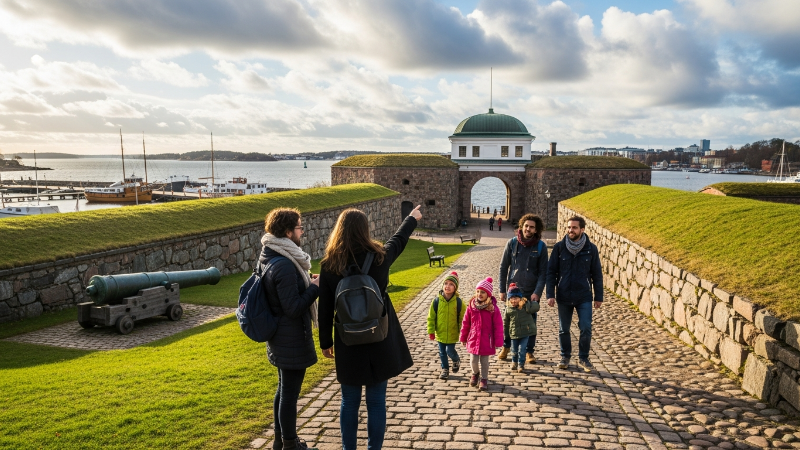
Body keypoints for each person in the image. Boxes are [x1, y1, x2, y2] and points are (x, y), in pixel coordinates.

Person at [318, 205, 422, 450]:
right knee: (376, 402)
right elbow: (398, 240)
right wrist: (411, 219)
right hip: (379, 337)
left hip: (347, 339)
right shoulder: (379, 257)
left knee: (349, 402)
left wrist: (326, 342)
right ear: (365, 229)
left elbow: (325, 309)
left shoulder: (329, 264)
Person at [259, 208, 321, 450]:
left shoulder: (272, 254)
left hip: (282, 336)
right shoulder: (284, 264)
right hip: (290, 337)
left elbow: (287, 294)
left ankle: (280, 442)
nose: (302, 231)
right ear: (287, 232)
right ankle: (290, 444)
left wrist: (307, 282)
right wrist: (315, 287)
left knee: (283, 390)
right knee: (289, 395)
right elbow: (293, 307)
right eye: (299, 227)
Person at [546, 216, 603, 372]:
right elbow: (551, 272)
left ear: (582, 229)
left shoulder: (591, 249)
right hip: (564, 295)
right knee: (563, 329)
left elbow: (597, 274)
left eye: (574, 228)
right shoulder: (559, 248)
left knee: (585, 327)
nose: (571, 230)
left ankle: (584, 358)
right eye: (569, 227)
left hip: (584, 296)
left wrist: (598, 297)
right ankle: (565, 356)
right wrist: (550, 294)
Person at [497, 214, 548, 364]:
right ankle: (506, 347)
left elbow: (543, 273)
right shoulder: (512, 243)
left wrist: (537, 292)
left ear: (536, 229)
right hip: (513, 291)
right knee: (509, 321)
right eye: (526, 226)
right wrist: (502, 290)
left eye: (532, 227)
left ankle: (529, 351)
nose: (528, 229)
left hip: (530, 292)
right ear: (521, 226)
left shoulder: (541, 247)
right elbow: (503, 267)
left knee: (530, 323)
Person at [459, 277, 503, 392]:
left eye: (483, 292)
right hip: (473, 338)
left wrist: (498, 341)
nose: (479, 294)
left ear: (488, 294)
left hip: (486, 340)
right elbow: (466, 322)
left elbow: (498, 325)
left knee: (484, 362)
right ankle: (475, 373)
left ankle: (484, 379)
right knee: (473, 360)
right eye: (478, 291)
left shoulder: (493, 309)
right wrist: (463, 337)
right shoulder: (471, 306)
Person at [426, 272, 465, 380]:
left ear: (455, 288)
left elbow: (463, 320)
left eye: (451, 284)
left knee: (449, 351)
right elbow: (431, 317)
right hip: (440, 332)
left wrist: (463, 333)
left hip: (452, 333)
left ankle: (456, 360)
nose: (448, 286)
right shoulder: (436, 301)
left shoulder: (459, 302)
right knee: (442, 352)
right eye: (446, 283)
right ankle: (445, 369)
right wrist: (431, 331)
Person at [503, 283, 539, 373]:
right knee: (514, 350)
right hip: (514, 333)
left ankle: (521, 364)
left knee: (522, 350)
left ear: (520, 298)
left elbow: (536, 307)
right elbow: (506, 323)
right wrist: (506, 334)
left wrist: (529, 303)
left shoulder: (525, 306)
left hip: (525, 333)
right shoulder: (508, 309)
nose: (514, 300)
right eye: (511, 298)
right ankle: (514, 362)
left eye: (516, 298)